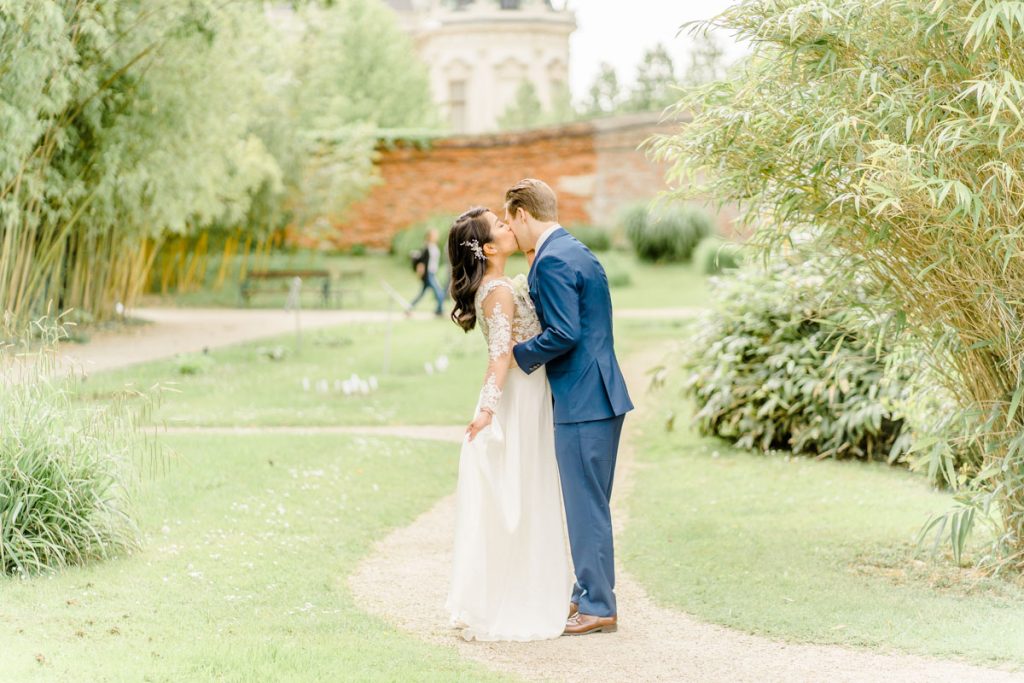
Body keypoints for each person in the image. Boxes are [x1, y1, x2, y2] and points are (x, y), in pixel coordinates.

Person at [506, 178, 633, 636]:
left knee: (585, 507)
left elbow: (564, 333)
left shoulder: (553, 259)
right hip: (600, 395)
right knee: (589, 503)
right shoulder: (576, 250)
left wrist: (517, 356)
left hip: (582, 399)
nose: (509, 230)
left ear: (523, 214)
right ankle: (586, 595)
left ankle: (598, 605)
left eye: (509, 221)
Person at [445, 207, 573, 641]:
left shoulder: (493, 285)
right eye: (500, 225)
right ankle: (522, 595)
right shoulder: (498, 290)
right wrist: (488, 409)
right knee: (526, 486)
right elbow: (500, 355)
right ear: (488, 248)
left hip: (529, 391)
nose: (508, 226)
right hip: (521, 396)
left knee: (529, 484)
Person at [407, 228, 445, 317]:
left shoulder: (434, 246)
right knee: (439, 293)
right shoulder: (426, 247)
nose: (436, 237)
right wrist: (420, 274)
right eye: (434, 235)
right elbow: (422, 263)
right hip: (428, 274)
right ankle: (439, 310)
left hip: (432, 273)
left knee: (422, 294)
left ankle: (409, 308)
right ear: (430, 237)